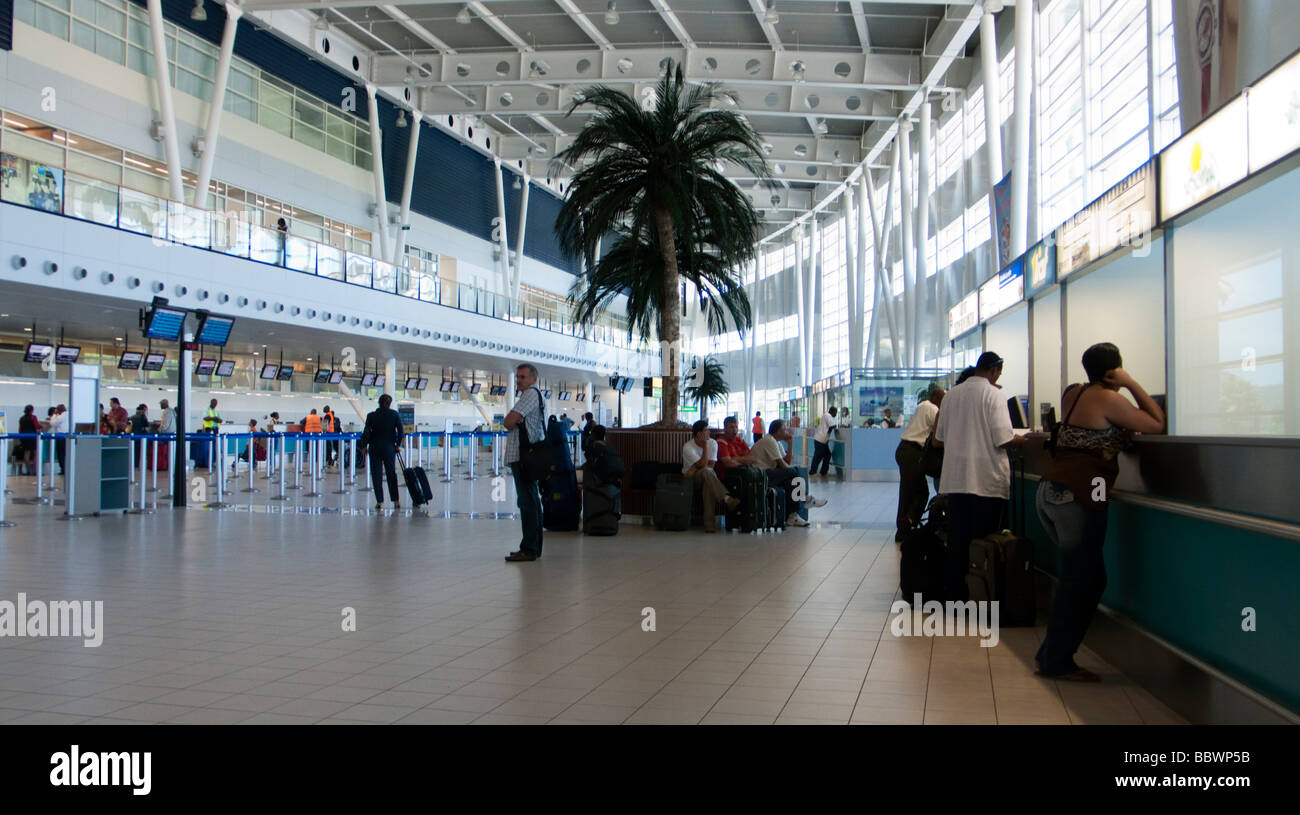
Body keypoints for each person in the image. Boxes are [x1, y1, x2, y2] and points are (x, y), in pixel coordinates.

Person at [1035, 344, 1164, 682]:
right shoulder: (1108, 399)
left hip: (1052, 492)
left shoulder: (1075, 394)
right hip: (1078, 497)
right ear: (1113, 372)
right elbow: (1157, 423)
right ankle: (1056, 661)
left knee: (1081, 579)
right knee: (1083, 581)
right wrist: (1132, 383)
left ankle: (1051, 654)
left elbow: (1099, 432)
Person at [933, 352, 1028, 602]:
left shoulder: (951, 396)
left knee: (957, 543)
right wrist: (1021, 440)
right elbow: (1003, 438)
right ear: (995, 370)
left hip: (956, 482)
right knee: (983, 543)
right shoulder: (994, 394)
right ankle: (983, 596)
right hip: (986, 482)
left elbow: (939, 438)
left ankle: (955, 596)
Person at [503, 363, 546, 562]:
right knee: (531, 500)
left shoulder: (530, 394)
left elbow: (508, 421)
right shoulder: (530, 395)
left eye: (523, 377)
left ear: (533, 379)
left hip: (523, 458)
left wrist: (513, 418)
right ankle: (532, 546)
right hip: (525, 457)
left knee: (527, 502)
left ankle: (529, 548)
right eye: (518, 377)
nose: (519, 380)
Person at [750, 419, 828, 528]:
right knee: (792, 472)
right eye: (785, 429)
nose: (787, 431)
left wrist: (790, 444)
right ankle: (805, 499)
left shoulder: (777, 442)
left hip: (769, 472)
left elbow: (786, 462)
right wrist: (792, 471)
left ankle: (793, 516)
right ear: (777, 432)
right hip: (760, 474)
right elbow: (783, 466)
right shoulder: (769, 441)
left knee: (791, 479)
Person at [895, 388, 945, 542]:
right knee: (920, 493)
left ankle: (905, 526)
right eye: (944, 399)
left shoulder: (923, 405)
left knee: (908, 491)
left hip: (904, 450)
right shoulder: (933, 409)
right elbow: (941, 430)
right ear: (936, 398)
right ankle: (906, 525)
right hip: (913, 452)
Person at [681, 419, 740, 533]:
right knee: (706, 472)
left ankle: (710, 525)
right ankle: (726, 498)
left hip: (707, 477)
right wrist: (704, 446)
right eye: (706, 430)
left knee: (708, 481)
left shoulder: (713, 443)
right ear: (699, 434)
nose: (709, 432)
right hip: (690, 480)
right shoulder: (688, 447)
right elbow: (704, 465)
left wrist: (695, 467)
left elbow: (711, 465)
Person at [360, 394, 403, 511]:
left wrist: (364, 446)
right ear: (389, 404)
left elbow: (366, 432)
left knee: (376, 475)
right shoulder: (394, 414)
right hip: (389, 448)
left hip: (375, 448)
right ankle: (396, 500)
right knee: (391, 474)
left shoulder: (371, 416)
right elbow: (400, 431)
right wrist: (397, 445)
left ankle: (379, 501)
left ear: (379, 403)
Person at [810, 406, 838, 477]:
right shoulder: (828, 416)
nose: (836, 415)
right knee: (818, 456)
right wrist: (830, 431)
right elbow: (832, 426)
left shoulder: (826, 415)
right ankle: (813, 472)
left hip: (822, 440)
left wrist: (828, 432)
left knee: (827, 455)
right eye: (835, 413)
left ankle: (823, 471)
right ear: (832, 411)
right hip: (821, 440)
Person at [17, 405, 39, 474]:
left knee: (27, 453)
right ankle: (35, 471)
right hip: (33, 437)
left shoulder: (21, 418)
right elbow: (37, 426)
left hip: (24, 437)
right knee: (35, 453)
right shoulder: (33, 417)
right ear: (32, 410)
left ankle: (28, 471)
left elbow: (20, 429)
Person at [49, 404, 67, 475]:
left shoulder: (60, 416)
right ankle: (68, 468)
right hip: (69, 436)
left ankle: (63, 469)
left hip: (61, 437)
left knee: (61, 454)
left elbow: (52, 424)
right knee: (67, 454)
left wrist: (54, 415)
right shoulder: (69, 415)